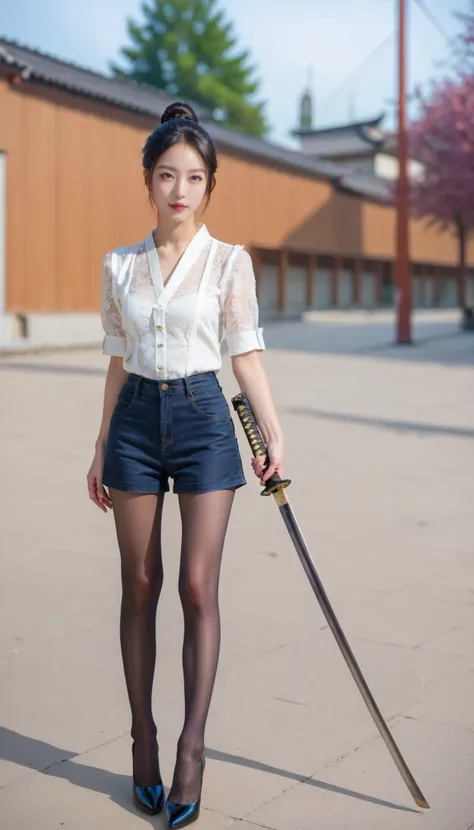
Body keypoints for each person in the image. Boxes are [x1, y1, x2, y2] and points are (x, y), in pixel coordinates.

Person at [86, 101, 284, 829]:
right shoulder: (120, 265)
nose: (179, 188)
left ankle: (191, 750)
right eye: (166, 174)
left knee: (199, 587)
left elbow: (246, 355)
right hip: (136, 422)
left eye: (193, 177)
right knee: (140, 585)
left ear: (209, 186)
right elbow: (114, 362)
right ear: (147, 179)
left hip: (205, 421)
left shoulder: (231, 263)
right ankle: (144, 738)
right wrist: (102, 442)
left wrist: (272, 433)